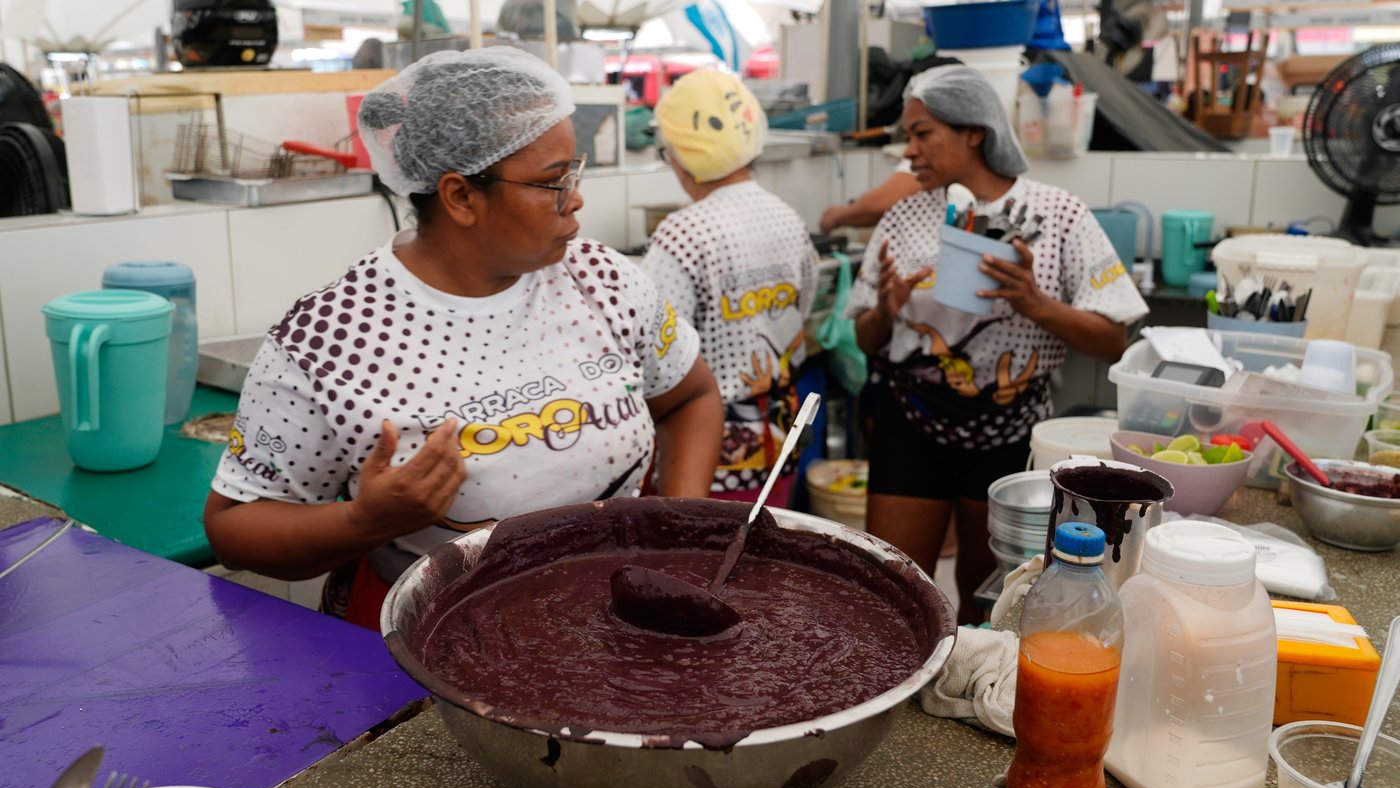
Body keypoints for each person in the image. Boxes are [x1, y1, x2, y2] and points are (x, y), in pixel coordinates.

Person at [204, 48, 723, 628]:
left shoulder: (604, 281)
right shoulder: (330, 340)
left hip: (615, 619)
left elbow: (690, 399)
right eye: (553, 182)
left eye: (573, 173)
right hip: (433, 642)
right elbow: (233, 529)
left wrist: (676, 531)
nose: (576, 198)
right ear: (460, 197)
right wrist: (364, 522)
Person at [847, 65, 1147, 627]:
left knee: (989, 597)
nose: (908, 151)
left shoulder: (1057, 216)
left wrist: (1037, 304)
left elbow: (1113, 339)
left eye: (922, 133)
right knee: (889, 587)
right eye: (907, 136)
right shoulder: (905, 216)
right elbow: (866, 338)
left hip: (1009, 434)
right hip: (910, 421)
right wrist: (886, 308)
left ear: (974, 132)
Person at [642, 70, 819, 506]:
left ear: (683, 155)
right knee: (759, 559)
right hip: (781, 437)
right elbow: (807, 302)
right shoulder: (787, 217)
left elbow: (655, 348)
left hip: (704, 453)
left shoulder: (682, 233)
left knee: (699, 564)